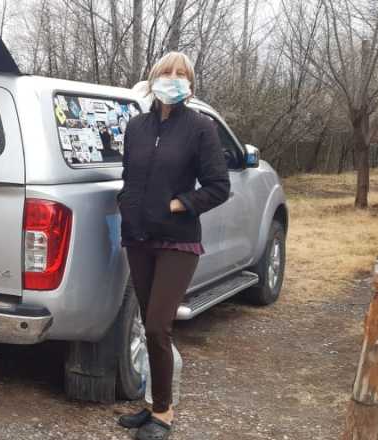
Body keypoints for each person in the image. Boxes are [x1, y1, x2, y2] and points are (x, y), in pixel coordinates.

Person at [115, 52, 230, 440]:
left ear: (190, 84)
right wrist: (128, 208)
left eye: (182, 74)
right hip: (138, 238)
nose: (174, 79)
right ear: (153, 78)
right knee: (147, 327)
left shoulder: (200, 129)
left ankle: (163, 413)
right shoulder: (137, 127)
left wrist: (176, 204)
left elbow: (218, 187)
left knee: (158, 326)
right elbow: (129, 176)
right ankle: (151, 403)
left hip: (177, 241)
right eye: (167, 72)